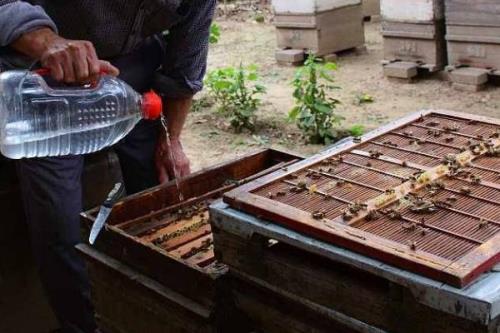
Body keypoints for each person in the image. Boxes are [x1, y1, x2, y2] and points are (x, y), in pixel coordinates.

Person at [0, 0, 216, 332]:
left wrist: (170, 139)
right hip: (46, 75)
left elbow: (185, 64)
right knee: (61, 224)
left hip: (134, 71)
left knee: (159, 200)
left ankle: (157, 316)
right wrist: (46, 41)